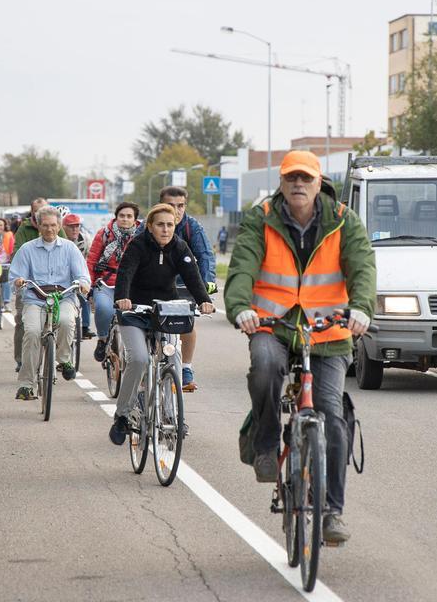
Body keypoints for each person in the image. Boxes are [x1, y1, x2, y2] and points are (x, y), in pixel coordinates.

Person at [225, 150, 376, 545]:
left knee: (330, 413)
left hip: (328, 330)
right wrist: (240, 307)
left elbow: (363, 267)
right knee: (264, 366)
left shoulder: (343, 219)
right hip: (273, 324)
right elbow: (243, 266)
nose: (298, 184)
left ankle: (332, 512)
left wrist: (362, 308)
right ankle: (265, 443)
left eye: (305, 178)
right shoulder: (261, 218)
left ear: (318, 182)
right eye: (291, 177)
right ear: (281, 182)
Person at [108, 203, 214, 445]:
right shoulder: (138, 245)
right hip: (134, 310)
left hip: (165, 311)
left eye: (170, 225)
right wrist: (122, 298)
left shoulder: (180, 247)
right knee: (139, 359)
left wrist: (204, 301)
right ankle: (122, 415)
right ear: (149, 226)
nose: (165, 229)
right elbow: (125, 272)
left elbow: (193, 277)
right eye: (160, 225)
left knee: (173, 357)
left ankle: (171, 414)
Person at [7, 206, 90, 400]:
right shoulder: (27, 249)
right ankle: (26, 385)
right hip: (35, 299)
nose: (49, 229)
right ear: (38, 226)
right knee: (32, 332)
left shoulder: (70, 248)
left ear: (59, 226)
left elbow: (82, 275)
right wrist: (18, 281)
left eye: (53, 225)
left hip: (64, 297)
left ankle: (64, 360)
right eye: (45, 225)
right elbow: (16, 276)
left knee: (67, 321)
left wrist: (83, 284)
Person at [159, 185, 216, 392]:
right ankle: (147, 370)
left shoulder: (193, 227)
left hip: (184, 284)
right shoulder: (149, 225)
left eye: (181, 205)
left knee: (187, 324)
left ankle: (186, 367)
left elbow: (205, 256)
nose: (176, 210)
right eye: (171, 205)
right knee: (149, 327)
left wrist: (207, 284)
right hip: (154, 284)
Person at [87, 202, 143, 361]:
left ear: (135, 219)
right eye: (122, 216)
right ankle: (103, 339)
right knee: (104, 309)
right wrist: (89, 286)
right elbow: (91, 261)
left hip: (133, 283)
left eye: (129, 216)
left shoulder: (142, 236)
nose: (125, 219)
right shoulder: (104, 234)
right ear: (116, 217)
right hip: (106, 282)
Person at [12, 198, 49, 372]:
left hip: (53, 283)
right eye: (38, 211)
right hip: (29, 282)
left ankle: (61, 355)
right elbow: (17, 252)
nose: (42, 213)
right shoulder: (24, 228)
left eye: (45, 210)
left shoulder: (56, 227)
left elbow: (66, 249)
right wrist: (21, 277)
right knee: (22, 319)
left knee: (68, 317)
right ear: (32, 212)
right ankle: (21, 359)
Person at [63, 213, 95, 339]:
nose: (75, 229)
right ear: (64, 227)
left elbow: (90, 259)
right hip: (62, 275)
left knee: (84, 296)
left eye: (77, 226)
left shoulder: (85, 239)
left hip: (79, 272)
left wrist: (87, 279)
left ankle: (85, 327)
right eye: (71, 227)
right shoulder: (59, 239)